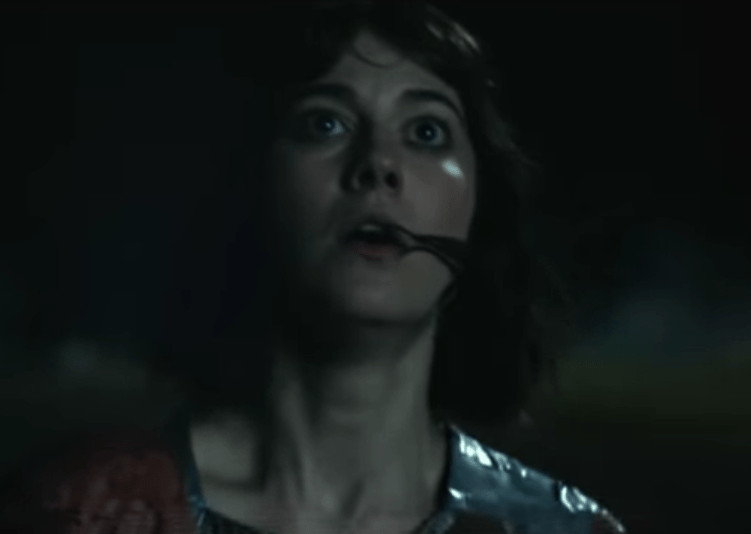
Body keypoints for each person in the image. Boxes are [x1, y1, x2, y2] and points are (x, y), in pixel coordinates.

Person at [0, 2, 625, 533]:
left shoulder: (556, 528)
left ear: (479, 207)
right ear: (252, 185)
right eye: (325, 122)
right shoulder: (86, 512)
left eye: (427, 132)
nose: (378, 163)